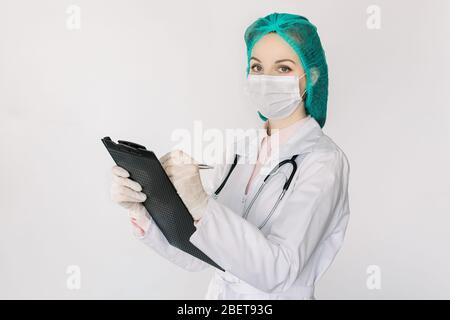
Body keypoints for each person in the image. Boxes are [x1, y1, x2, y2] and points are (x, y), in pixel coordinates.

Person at [110, 12, 350, 300]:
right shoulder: (240, 149)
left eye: (283, 69)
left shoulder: (324, 162)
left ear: (310, 77)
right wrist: (145, 207)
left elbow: (279, 271)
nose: (265, 79)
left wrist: (202, 205)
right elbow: (202, 255)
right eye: (257, 67)